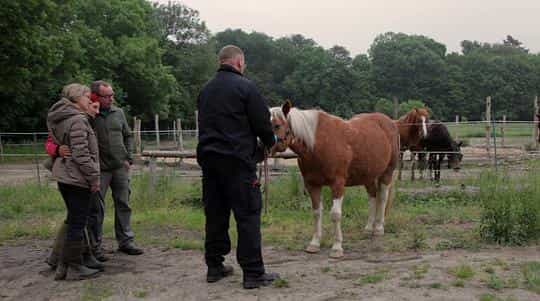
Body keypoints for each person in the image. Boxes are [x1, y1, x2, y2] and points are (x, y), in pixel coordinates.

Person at [196, 45, 279, 289]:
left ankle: (214, 266)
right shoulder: (246, 87)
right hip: (238, 163)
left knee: (215, 215)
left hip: (210, 162)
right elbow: (262, 124)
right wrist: (269, 142)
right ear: (239, 62)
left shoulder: (206, 90)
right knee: (248, 216)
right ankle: (253, 273)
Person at [47, 83, 101, 280]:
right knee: (77, 223)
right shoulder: (77, 120)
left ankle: (63, 266)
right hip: (76, 178)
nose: (90, 100)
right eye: (87, 97)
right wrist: (94, 177)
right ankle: (74, 267)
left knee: (74, 220)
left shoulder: (62, 118)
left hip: (66, 176)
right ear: (77, 99)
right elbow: (82, 155)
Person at [90, 80, 143, 256]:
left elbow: (128, 135)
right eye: (107, 96)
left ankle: (126, 241)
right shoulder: (90, 115)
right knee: (96, 208)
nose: (111, 99)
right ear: (96, 96)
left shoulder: (118, 113)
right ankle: (95, 246)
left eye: (112, 95)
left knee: (124, 203)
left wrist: (129, 157)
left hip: (120, 166)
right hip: (100, 169)